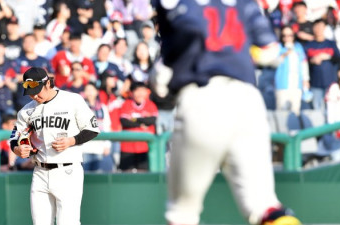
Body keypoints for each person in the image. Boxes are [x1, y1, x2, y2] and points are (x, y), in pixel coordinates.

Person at [155, 0, 301, 225]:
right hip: (247, 99)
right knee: (264, 206)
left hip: (201, 97)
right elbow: (269, 50)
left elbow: (164, 68)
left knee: (182, 212)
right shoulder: (243, 3)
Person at [9, 67, 99, 224]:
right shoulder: (26, 111)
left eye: (37, 90)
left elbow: (92, 129)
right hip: (40, 171)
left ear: (48, 83)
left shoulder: (72, 100)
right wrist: (17, 149)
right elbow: (14, 138)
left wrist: (72, 141)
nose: (34, 95)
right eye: (30, 92)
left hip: (68, 171)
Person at [304, 19, 340, 111]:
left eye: (321, 27)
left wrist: (326, 56)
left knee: (333, 110)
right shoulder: (308, 45)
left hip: (330, 83)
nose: (318, 29)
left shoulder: (331, 43)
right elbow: (304, 63)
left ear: (324, 28)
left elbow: (338, 58)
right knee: (317, 110)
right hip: (315, 83)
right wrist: (312, 60)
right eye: (316, 27)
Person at [119, 82, 158, 172]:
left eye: (142, 91)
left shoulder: (150, 105)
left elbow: (151, 120)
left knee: (143, 175)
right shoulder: (126, 104)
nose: (140, 93)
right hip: (127, 147)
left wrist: (134, 119)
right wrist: (141, 123)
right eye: (137, 91)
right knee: (126, 175)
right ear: (132, 92)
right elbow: (124, 122)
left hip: (144, 147)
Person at [274, 26, 310, 115]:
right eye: (284, 35)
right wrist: (284, 54)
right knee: (282, 112)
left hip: (297, 85)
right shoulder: (278, 47)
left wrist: (306, 79)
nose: (287, 38)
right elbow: (273, 62)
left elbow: (303, 63)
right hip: (282, 85)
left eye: (290, 35)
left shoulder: (298, 47)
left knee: (295, 112)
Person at [79, 82, 112, 172]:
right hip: (84, 148)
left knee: (98, 175)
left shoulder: (102, 108)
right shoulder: (80, 108)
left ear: (96, 92)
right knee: (85, 176)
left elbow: (107, 126)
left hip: (99, 148)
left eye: (92, 90)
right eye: (87, 90)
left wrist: (107, 145)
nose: (89, 92)